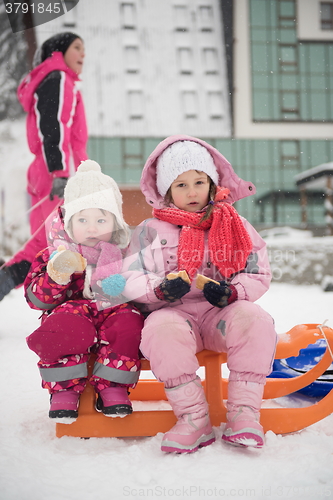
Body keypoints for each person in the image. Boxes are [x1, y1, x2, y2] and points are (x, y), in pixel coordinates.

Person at [122, 136, 277, 452]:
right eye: (180, 185)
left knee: (255, 320)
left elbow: (258, 268)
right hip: (175, 314)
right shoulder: (149, 231)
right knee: (160, 330)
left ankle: (244, 414)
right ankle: (193, 418)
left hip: (221, 313)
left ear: (212, 183)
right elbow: (128, 275)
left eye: (198, 181)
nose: (192, 192)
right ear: (167, 192)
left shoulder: (235, 223)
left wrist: (233, 292)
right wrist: (158, 290)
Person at [24, 160, 144, 421]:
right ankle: (64, 391)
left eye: (101, 219)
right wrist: (56, 276)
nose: (92, 227)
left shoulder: (124, 255)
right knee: (64, 325)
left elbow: (140, 284)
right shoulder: (55, 255)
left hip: (112, 310)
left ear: (115, 223)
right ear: (69, 222)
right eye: (83, 219)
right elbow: (35, 299)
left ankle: (113, 386)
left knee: (129, 323)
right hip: (72, 313)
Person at [0, 32, 88, 301]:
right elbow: (56, 127)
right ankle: (75, 306)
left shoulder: (52, 80)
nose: (83, 54)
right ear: (57, 53)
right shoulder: (59, 79)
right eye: (77, 47)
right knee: (68, 243)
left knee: (45, 246)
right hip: (59, 175)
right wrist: (61, 173)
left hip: (47, 173)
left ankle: (6, 280)